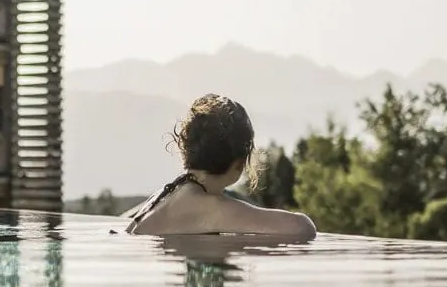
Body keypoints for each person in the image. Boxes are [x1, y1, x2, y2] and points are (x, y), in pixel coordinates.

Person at [122, 94, 316, 238]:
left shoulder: (161, 198)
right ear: (240, 164)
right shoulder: (211, 208)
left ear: (186, 148)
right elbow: (303, 228)